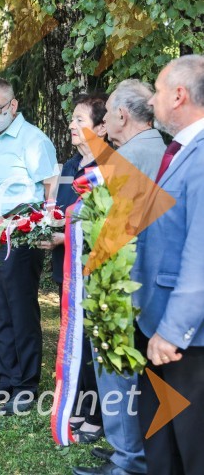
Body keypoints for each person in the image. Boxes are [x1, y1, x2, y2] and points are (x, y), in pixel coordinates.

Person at [69, 85, 162, 475]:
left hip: (121, 284)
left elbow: (111, 225)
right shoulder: (159, 148)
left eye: (106, 113)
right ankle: (129, 449)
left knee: (117, 375)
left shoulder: (132, 156)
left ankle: (128, 460)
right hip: (141, 283)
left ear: (123, 116)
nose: (103, 122)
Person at [131, 55, 204, 474]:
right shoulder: (179, 150)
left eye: (157, 91)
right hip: (159, 323)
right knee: (162, 446)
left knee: (190, 447)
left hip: (185, 340)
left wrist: (172, 331)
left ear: (179, 95)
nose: (153, 100)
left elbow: (200, 254)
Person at [0, 77, 58, 415]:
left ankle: (26, 386)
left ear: (13, 105)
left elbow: (50, 188)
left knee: (20, 310)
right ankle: (4, 380)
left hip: (20, 234)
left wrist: (44, 230)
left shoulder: (34, 140)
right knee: (1, 310)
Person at [38, 93, 108, 449]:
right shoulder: (69, 165)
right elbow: (62, 209)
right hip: (65, 267)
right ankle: (79, 406)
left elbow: (104, 221)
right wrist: (46, 230)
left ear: (102, 126)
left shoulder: (111, 165)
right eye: (72, 120)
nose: (72, 125)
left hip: (94, 270)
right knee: (71, 340)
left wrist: (63, 233)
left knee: (93, 343)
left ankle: (96, 415)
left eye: (80, 120)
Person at [104, 79, 166, 176]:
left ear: (121, 115)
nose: (104, 118)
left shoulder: (125, 157)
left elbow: (85, 188)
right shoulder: (165, 149)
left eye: (107, 111)